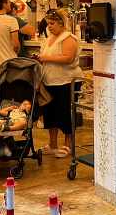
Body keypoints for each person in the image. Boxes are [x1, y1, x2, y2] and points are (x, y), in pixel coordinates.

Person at [34, 9, 82, 158]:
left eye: (52, 23)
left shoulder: (69, 38)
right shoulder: (49, 38)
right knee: (50, 114)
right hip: (50, 81)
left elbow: (68, 58)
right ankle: (53, 144)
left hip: (66, 81)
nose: (49, 26)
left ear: (61, 23)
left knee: (65, 113)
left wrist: (45, 58)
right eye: (48, 23)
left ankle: (68, 145)